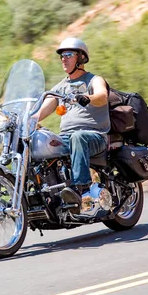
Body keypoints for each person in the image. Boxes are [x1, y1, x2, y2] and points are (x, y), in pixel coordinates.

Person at [34, 37, 110, 208]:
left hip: (94, 136)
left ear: (81, 58)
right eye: (61, 55)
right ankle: (43, 194)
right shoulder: (60, 88)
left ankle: (82, 190)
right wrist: (23, 120)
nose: (63, 58)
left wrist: (86, 98)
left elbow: (102, 97)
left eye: (68, 54)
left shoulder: (94, 80)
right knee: (40, 140)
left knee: (78, 137)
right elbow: (43, 110)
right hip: (67, 138)